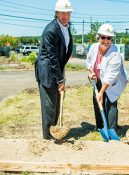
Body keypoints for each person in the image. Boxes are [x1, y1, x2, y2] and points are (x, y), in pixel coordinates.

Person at [34, 0, 73, 140]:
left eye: (68, 13)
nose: (66, 16)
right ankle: (48, 138)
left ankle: (55, 131)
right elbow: (52, 58)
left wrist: (61, 74)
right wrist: (60, 80)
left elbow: (65, 51)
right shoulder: (51, 30)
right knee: (49, 106)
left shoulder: (67, 26)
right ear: (56, 13)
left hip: (57, 68)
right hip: (47, 71)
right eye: (62, 12)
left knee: (56, 103)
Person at [86, 23, 128, 131]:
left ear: (111, 39)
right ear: (98, 37)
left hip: (113, 82)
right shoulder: (94, 48)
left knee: (111, 103)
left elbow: (110, 77)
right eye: (103, 37)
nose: (106, 40)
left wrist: (101, 92)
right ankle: (100, 126)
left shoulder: (115, 55)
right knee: (97, 101)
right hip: (98, 79)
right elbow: (89, 61)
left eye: (108, 38)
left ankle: (112, 129)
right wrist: (92, 72)